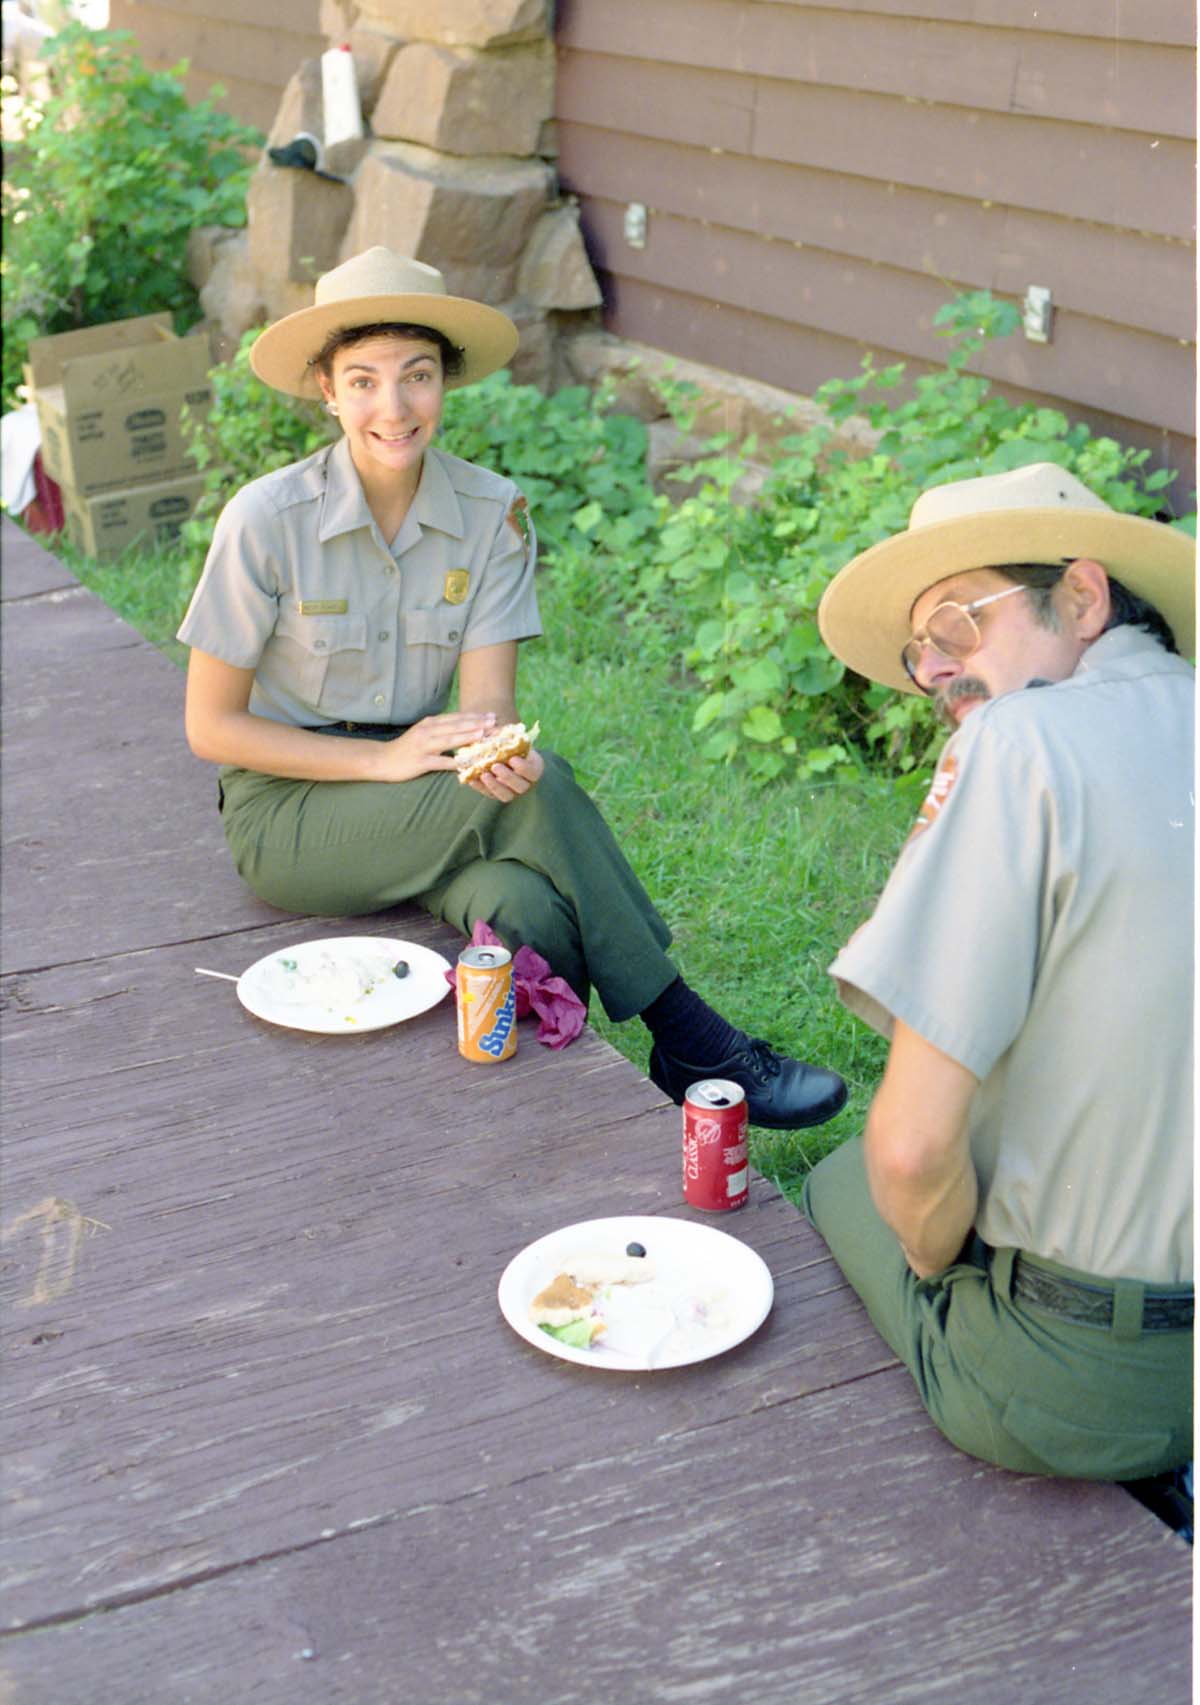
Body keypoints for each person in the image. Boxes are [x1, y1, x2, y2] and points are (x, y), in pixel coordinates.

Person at [177, 246, 847, 1129]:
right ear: (326, 390)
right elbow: (211, 727)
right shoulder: (265, 519)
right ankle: (688, 1033)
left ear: (446, 384)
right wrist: (382, 767)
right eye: (364, 380)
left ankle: (563, 1102)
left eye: (417, 376)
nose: (393, 405)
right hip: (290, 810)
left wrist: (491, 760)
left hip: (431, 780)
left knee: (525, 904)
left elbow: (486, 714)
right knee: (549, 791)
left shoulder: (493, 513)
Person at [805, 460, 1193, 1480]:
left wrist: (937, 1263)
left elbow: (909, 1149)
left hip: (1079, 1381)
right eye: (916, 648)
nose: (931, 668)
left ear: (1082, 594)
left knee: (848, 1178)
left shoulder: (1019, 745)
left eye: (957, 625)